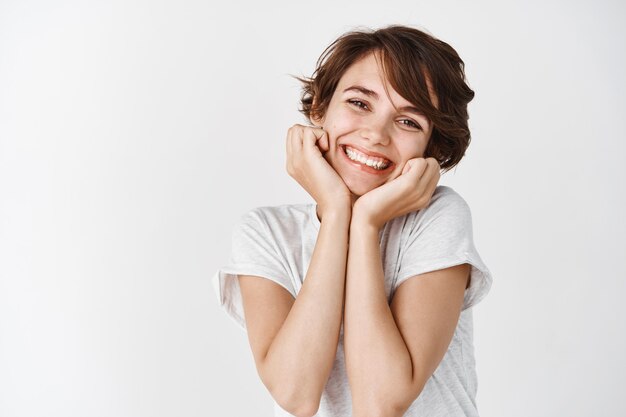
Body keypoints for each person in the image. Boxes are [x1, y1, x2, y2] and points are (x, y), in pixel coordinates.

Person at [213, 24, 493, 417]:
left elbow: (381, 403)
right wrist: (337, 211)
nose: (376, 134)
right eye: (360, 103)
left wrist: (364, 224)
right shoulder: (266, 233)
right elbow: (296, 394)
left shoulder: (438, 218)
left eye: (409, 121)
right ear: (320, 109)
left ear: (432, 149)